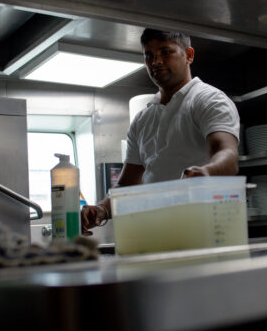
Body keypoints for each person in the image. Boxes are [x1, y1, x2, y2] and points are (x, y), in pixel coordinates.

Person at [80, 28, 240, 235]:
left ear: (189, 55)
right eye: (149, 55)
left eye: (165, 52)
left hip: (206, 230)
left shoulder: (208, 100)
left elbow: (227, 153)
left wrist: (207, 172)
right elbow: (127, 184)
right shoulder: (142, 119)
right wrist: (101, 209)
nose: (156, 62)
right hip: (159, 233)